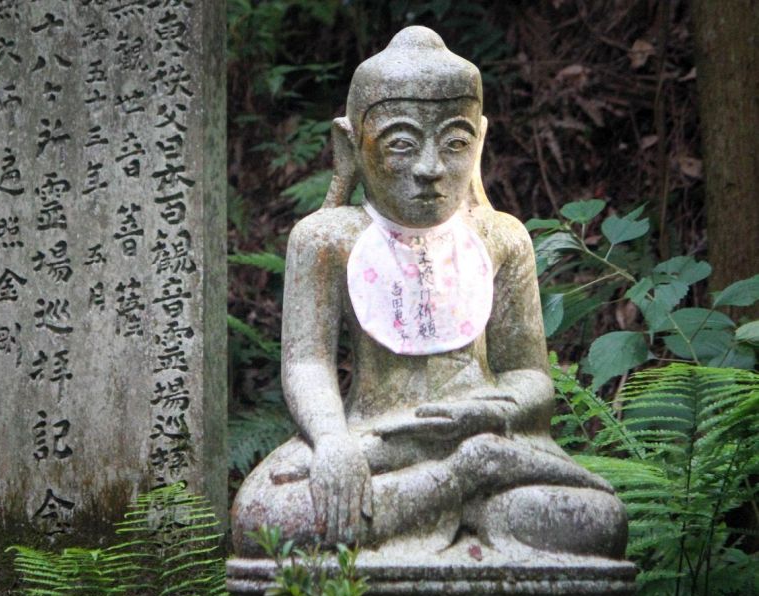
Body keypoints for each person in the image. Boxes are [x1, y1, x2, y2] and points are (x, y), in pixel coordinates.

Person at [232, 26, 627, 560]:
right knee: (266, 518)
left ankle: (458, 482)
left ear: (480, 140)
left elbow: (531, 375)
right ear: (350, 143)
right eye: (401, 143)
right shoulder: (325, 239)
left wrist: (493, 411)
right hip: (376, 441)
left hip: (489, 435)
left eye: (455, 143)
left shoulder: (502, 238)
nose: (430, 169)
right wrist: (331, 442)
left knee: (596, 521)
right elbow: (307, 363)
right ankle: (463, 481)